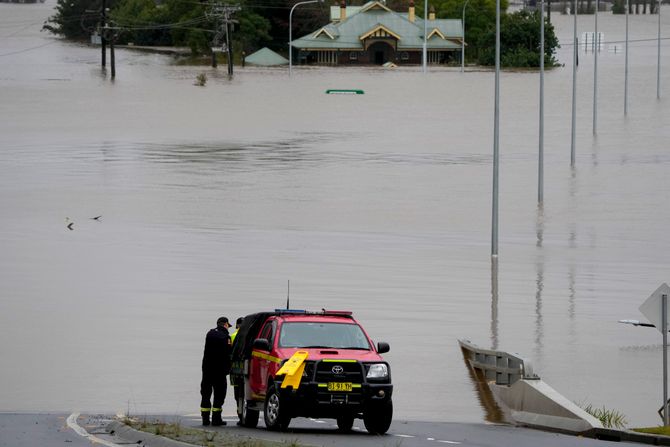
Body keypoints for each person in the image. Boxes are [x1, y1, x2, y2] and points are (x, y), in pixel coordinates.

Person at [200, 316, 232, 426]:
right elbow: (228, 354)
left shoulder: (210, 334)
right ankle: (216, 419)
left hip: (207, 370)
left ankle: (205, 419)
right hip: (219, 371)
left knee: (206, 393)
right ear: (226, 324)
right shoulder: (226, 337)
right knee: (219, 394)